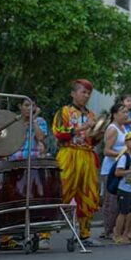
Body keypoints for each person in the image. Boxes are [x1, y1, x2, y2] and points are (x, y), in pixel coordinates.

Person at [52, 78, 100, 243]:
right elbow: (59, 133)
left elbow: (92, 140)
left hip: (87, 156)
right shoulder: (64, 111)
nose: (86, 95)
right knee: (61, 192)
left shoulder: (91, 115)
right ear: (73, 93)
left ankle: (85, 234)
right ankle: (44, 234)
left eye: (88, 93)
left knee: (88, 194)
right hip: (69, 154)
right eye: (83, 92)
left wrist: (98, 133)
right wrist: (83, 127)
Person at [99, 103, 130, 240]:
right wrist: (122, 155)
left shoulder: (123, 128)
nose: (126, 114)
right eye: (123, 112)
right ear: (115, 114)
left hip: (121, 168)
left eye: (127, 112)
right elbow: (106, 151)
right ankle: (108, 230)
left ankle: (119, 229)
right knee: (111, 201)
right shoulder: (113, 129)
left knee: (120, 199)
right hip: (110, 170)